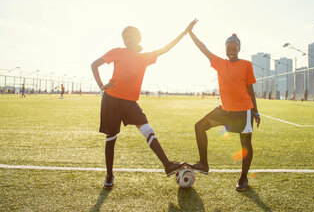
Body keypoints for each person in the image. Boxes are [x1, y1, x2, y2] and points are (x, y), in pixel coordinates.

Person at [91, 20, 196, 190]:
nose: (127, 39)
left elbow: (166, 48)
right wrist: (100, 85)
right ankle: (109, 175)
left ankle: (168, 165)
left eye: (131, 36)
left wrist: (184, 33)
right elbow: (94, 64)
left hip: (130, 103)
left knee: (148, 130)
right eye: (125, 37)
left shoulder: (144, 57)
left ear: (139, 38)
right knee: (111, 138)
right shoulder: (117, 52)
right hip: (111, 101)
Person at [187, 20, 260, 191]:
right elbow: (203, 48)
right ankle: (203, 164)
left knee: (245, 145)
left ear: (239, 49)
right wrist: (190, 33)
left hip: (244, 112)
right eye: (229, 47)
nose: (231, 49)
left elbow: (251, 90)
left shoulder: (246, 65)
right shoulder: (220, 63)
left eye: (235, 47)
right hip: (225, 111)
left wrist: (256, 112)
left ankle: (243, 179)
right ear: (226, 49)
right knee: (199, 127)